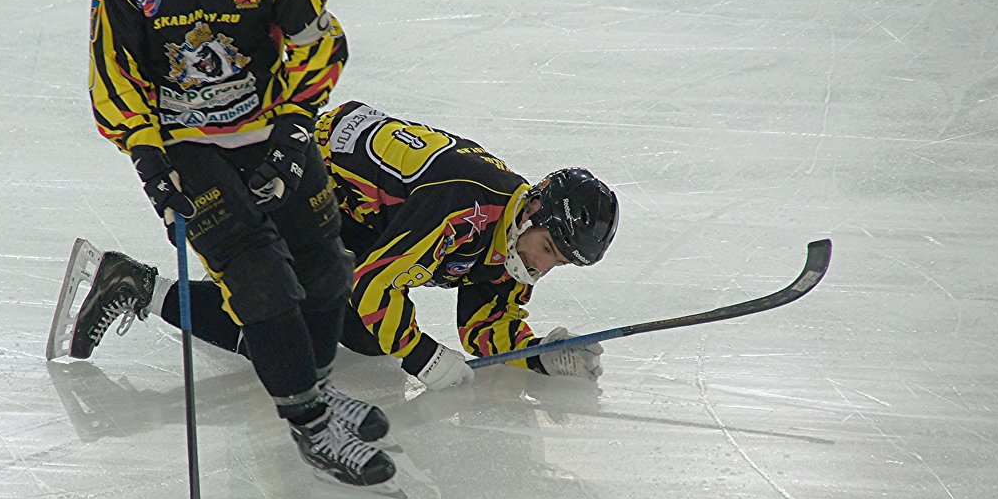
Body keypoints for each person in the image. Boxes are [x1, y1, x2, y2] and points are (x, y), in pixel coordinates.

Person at [85, 0, 394, 489]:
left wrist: (293, 132)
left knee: (325, 266)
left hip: (270, 129)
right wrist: (149, 159)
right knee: (257, 278)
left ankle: (317, 386)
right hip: (187, 147)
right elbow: (114, 73)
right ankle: (309, 423)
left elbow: (319, 47)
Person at [62, 100, 619, 394]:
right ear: (534, 212)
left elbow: (483, 321)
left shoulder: (513, 230)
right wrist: (423, 356)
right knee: (288, 338)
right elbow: (380, 282)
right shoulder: (465, 209)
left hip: (358, 214)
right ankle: (132, 282)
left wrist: (535, 353)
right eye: (548, 247)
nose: (541, 268)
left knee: (362, 335)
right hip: (297, 177)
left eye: (559, 263)